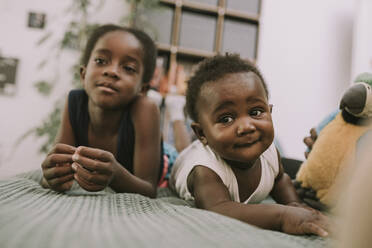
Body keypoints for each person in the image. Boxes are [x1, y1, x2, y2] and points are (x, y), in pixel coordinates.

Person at [170, 54, 330, 236]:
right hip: (185, 159)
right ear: (202, 134)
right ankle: (175, 114)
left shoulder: (270, 152)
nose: (246, 126)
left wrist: (294, 204)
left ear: (269, 111)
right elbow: (218, 209)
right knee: (181, 149)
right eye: (226, 118)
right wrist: (283, 215)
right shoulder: (205, 170)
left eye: (255, 112)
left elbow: (279, 179)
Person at [40, 24, 164, 197]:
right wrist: (51, 178)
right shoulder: (75, 102)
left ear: (142, 89)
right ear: (83, 74)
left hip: (166, 162)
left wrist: (116, 175)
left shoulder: (145, 108)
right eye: (101, 61)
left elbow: (149, 190)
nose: (111, 71)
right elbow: (59, 168)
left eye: (128, 68)